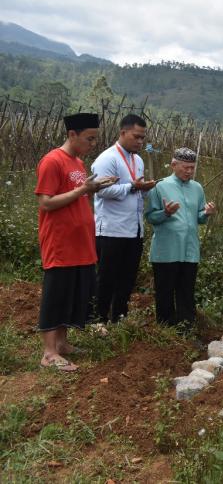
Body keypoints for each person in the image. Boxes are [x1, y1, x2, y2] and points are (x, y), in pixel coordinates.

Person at [35, 112, 117, 371]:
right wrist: (84, 189)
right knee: (56, 294)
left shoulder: (78, 163)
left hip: (80, 242)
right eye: (89, 138)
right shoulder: (52, 161)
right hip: (60, 242)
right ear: (72, 135)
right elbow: (46, 203)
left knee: (71, 293)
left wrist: (94, 188)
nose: (93, 144)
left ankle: (61, 344)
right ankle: (48, 353)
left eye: (95, 139)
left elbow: (77, 196)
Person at [91, 114, 157, 322]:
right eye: (136, 137)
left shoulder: (137, 160)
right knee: (106, 279)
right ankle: (98, 319)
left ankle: (119, 318)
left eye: (142, 138)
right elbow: (101, 190)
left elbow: (136, 191)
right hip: (111, 230)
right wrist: (133, 186)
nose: (140, 142)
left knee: (127, 279)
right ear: (123, 133)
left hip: (134, 229)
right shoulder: (107, 159)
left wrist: (145, 189)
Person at [145, 147, 215, 327]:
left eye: (192, 167)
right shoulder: (159, 186)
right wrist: (166, 213)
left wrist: (206, 213)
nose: (189, 171)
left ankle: (187, 328)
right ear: (174, 165)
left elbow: (198, 217)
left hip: (190, 249)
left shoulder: (197, 188)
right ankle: (166, 329)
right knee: (165, 292)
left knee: (186, 292)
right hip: (166, 249)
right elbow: (151, 217)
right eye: (186, 167)